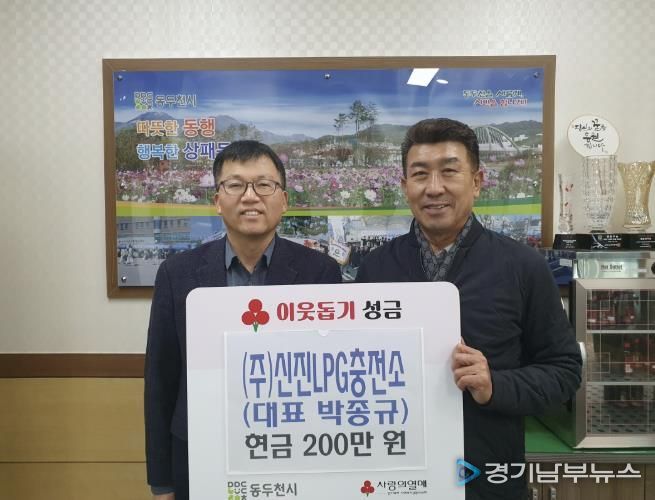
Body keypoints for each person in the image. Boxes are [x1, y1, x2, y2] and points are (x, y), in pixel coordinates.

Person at [355, 118, 582, 500]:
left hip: (488, 480)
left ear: (477, 181)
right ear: (405, 186)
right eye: (420, 174)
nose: (434, 188)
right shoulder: (375, 269)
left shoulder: (522, 266)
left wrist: (495, 385)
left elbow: (565, 370)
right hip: (394, 476)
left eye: (449, 171)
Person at [144, 140, 342, 499]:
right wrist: (161, 482)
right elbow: (161, 378)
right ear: (218, 200)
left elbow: (331, 376)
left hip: (294, 452)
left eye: (264, 185)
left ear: (284, 200)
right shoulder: (177, 274)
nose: (250, 197)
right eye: (235, 185)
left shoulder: (321, 272)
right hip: (202, 453)